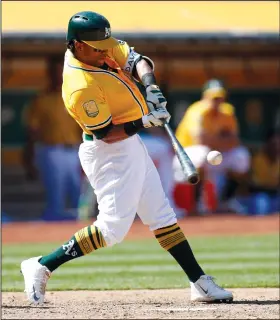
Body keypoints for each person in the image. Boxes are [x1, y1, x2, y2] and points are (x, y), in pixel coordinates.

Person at [20, 11, 233, 304]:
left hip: (130, 144)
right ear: (77, 45)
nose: (106, 49)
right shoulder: (80, 86)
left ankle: (199, 281)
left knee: (161, 215)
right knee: (111, 229)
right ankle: (43, 265)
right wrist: (145, 122)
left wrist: (151, 86)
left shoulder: (98, 45)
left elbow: (137, 60)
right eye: (97, 45)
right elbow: (106, 133)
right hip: (108, 152)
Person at [174, 79, 250, 213]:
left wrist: (214, 140)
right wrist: (222, 139)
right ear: (205, 97)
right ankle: (196, 203)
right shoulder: (197, 111)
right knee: (203, 153)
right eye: (213, 97)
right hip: (186, 156)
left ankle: (227, 200)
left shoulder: (227, 111)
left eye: (219, 97)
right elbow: (199, 140)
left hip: (215, 153)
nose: (216, 101)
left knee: (241, 156)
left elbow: (235, 140)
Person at [22, 60, 82, 221]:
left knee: (79, 193)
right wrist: (28, 158)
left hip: (76, 150)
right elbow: (32, 131)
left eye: (63, 72)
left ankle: (79, 233)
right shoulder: (42, 99)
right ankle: (53, 233)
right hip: (52, 150)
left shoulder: (75, 96)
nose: (60, 76)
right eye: (56, 72)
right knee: (56, 194)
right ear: (50, 74)